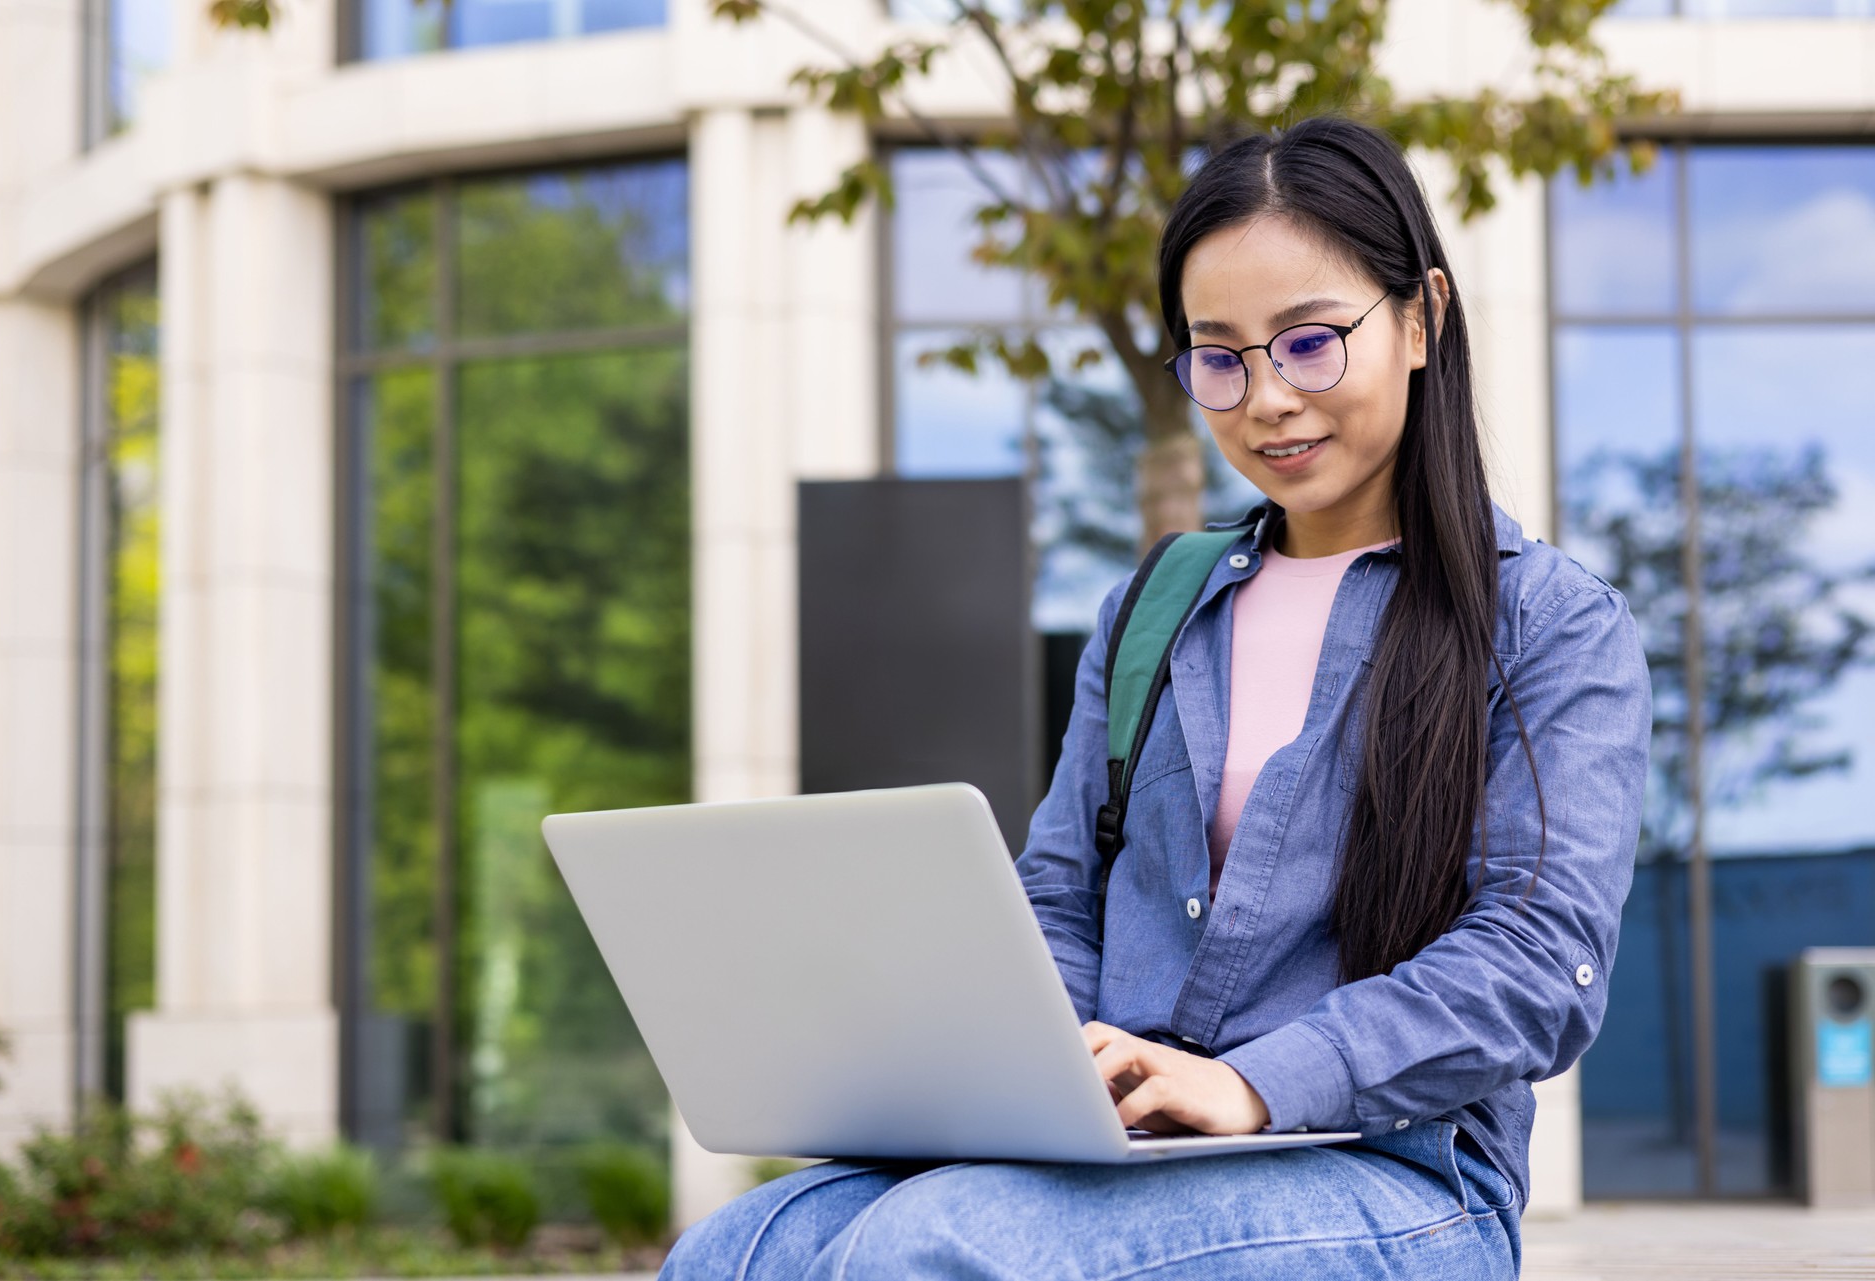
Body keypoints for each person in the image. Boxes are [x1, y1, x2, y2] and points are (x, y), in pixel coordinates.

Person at [658, 112, 1652, 1280]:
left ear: (1422, 318)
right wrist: (1032, 1073)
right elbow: (1066, 897)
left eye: (1310, 341)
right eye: (1219, 355)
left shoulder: (1549, 625)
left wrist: (1247, 1084)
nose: (1265, 398)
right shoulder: (1157, 607)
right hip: (1128, 1150)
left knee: (936, 1249)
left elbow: (1535, 965)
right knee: (742, 1247)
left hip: (1399, 1174)